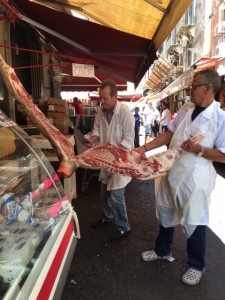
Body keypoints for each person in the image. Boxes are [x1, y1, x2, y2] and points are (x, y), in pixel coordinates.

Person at [135, 69, 225, 285]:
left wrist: (199, 149)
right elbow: (169, 133)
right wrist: (144, 148)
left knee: (194, 220)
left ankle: (197, 265)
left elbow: (223, 154)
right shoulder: (186, 108)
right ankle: (162, 250)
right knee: (165, 212)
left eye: (194, 86)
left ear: (208, 88)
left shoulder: (219, 117)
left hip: (195, 177)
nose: (190, 90)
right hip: (172, 171)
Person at [84, 79, 135, 241]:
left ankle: (124, 227)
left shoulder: (125, 112)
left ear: (115, 96)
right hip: (106, 158)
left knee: (117, 194)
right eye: (101, 98)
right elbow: (97, 129)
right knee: (103, 191)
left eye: (105, 98)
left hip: (120, 159)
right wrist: (91, 140)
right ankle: (107, 216)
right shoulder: (101, 111)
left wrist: (116, 151)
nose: (102, 101)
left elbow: (129, 137)